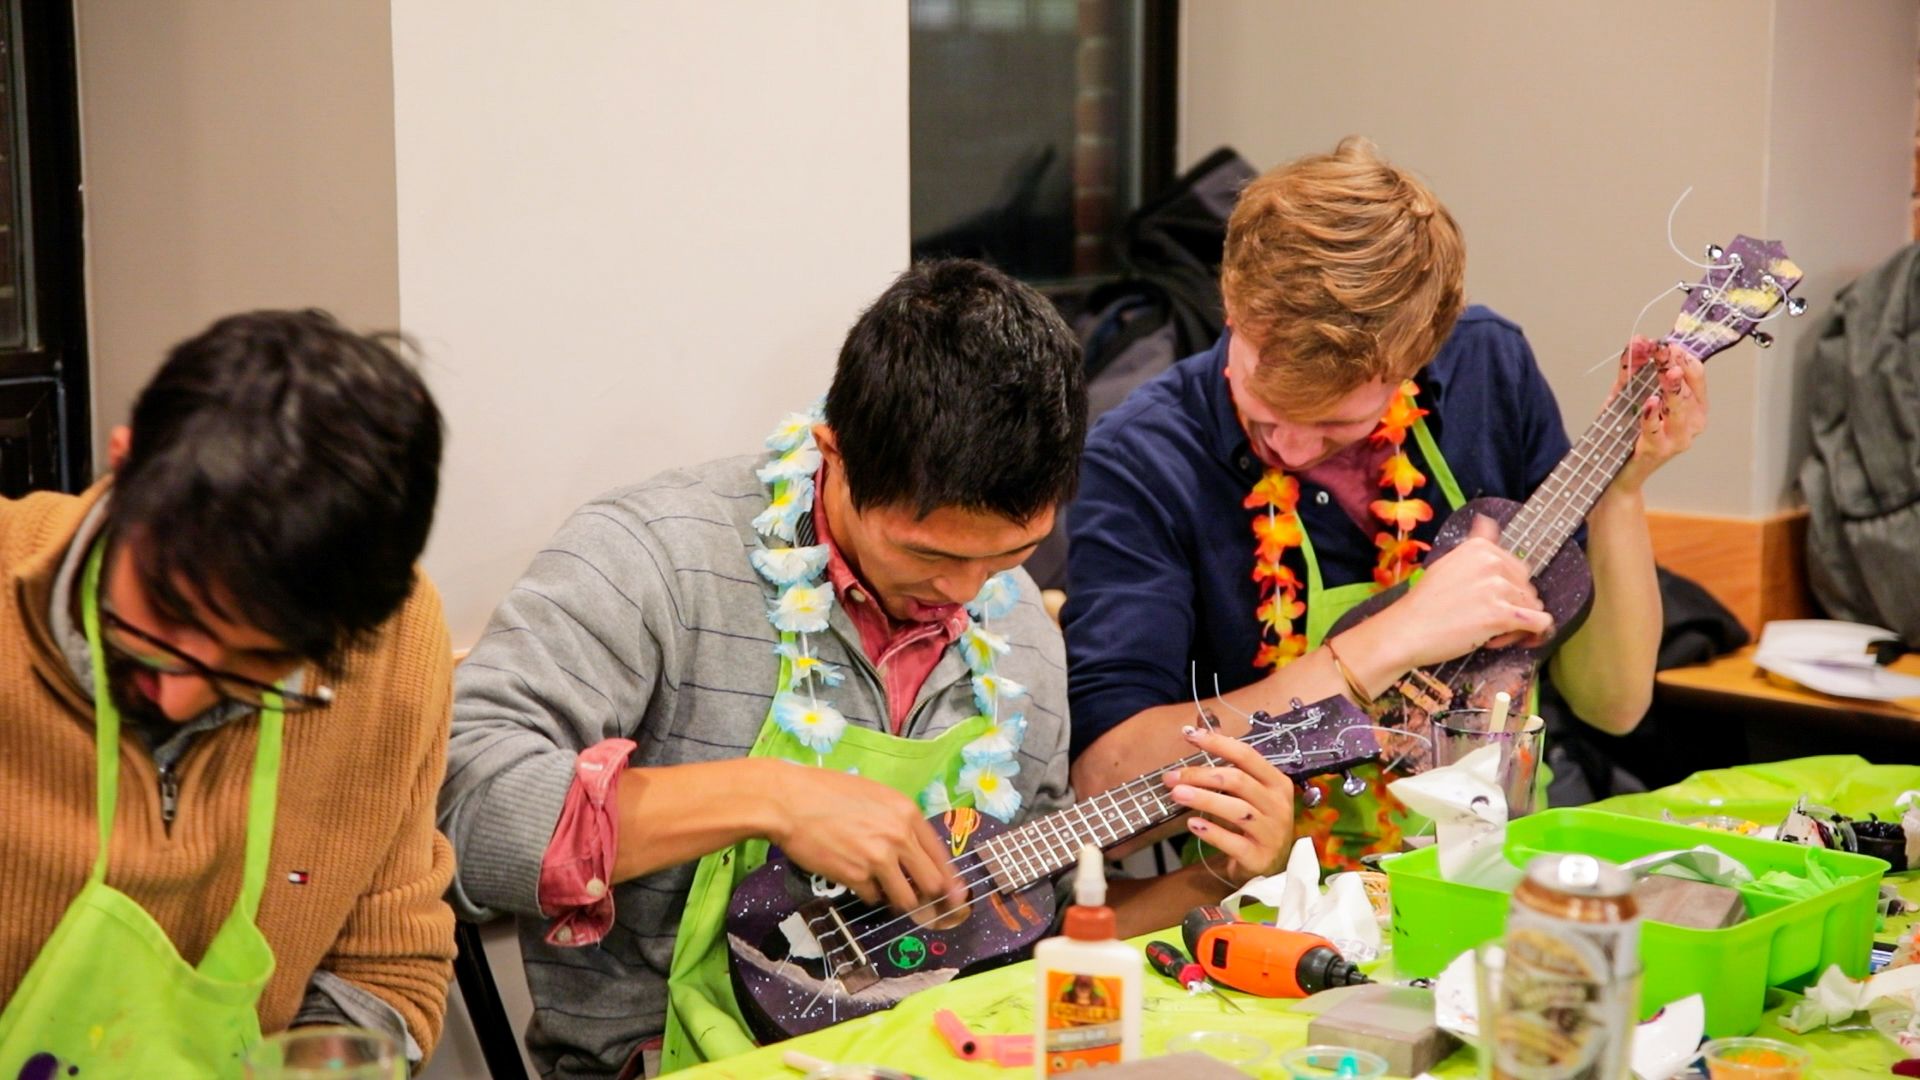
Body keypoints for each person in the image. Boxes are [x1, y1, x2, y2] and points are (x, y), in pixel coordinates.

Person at [439, 259, 1298, 1078]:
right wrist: (773, 797)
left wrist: (1210, 878)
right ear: (835, 451)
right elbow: (467, 815)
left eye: (1013, 555)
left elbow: (1015, 932)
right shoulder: (650, 561)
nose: (960, 592)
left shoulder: (1019, 640)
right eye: (926, 552)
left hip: (936, 1050)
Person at [1063, 137, 1707, 868]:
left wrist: (1622, 491)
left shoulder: (1486, 371)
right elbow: (1103, 779)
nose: (1294, 451)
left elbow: (1613, 707)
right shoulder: (1145, 459)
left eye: (1337, 424)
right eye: (1266, 410)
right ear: (1232, 307)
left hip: (1500, 860)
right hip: (1269, 898)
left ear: (1415, 358)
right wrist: (1390, 639)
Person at [0, 310, 456, 1075]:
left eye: (260, 661)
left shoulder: (394, 642)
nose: (179, 696)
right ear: (125, 465)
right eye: (167, 616)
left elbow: (384, 965)